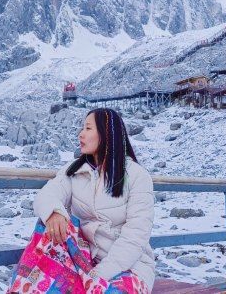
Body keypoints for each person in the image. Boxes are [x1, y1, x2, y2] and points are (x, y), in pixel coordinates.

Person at [8, 108, 155, 293]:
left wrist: (96, 276)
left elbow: (136, 237)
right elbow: (48, 194)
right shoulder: (75, 170)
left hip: (128, 266)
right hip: (83, 260)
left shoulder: (137, 176)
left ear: (106, 133)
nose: (81, 134)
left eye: (88, 128)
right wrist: (54, 213)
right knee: (47, 223)